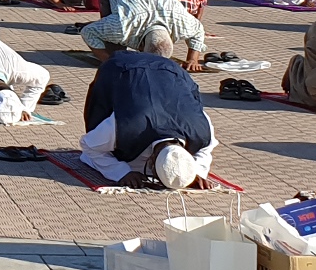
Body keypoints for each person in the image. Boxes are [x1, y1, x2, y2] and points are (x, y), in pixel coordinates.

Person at [79, 45, 215, 189]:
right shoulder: (126, 126)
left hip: (171, 70)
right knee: (101, 124)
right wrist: (121, 173)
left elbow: (205, 149)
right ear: (150, 163)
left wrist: (197, 171)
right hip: (122, 69)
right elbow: (89, 145)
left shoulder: (201, 129)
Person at [82, 0, 207, 71]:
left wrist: (192, 59)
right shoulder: (123, 26)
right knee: (115, 52)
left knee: (116, 43)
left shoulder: (182, 24)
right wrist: (107, 60)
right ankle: (111, 53)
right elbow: (88, 31)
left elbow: (198, 30)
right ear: (141, 45)